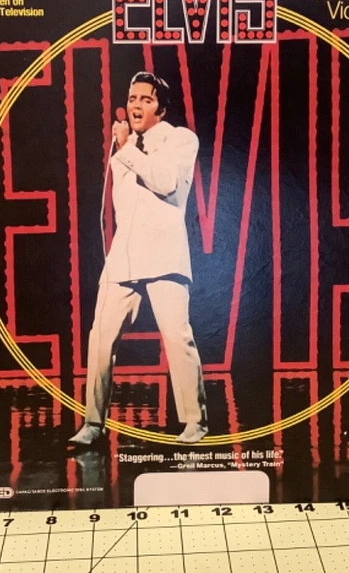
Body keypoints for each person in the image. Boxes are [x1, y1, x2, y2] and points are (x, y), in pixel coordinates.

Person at [69, 72, 209, 446]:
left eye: (146, 99)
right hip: (124, 257)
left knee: (177, 337)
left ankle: (195, 422)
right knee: (100, 339)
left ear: (161, 108)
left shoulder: (180, 139)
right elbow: (117, 206)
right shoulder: (125, 146)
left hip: (164, 254)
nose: (136, 105)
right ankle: (93, 423)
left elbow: (165, 182)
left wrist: (125, 148)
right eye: (132, 98)